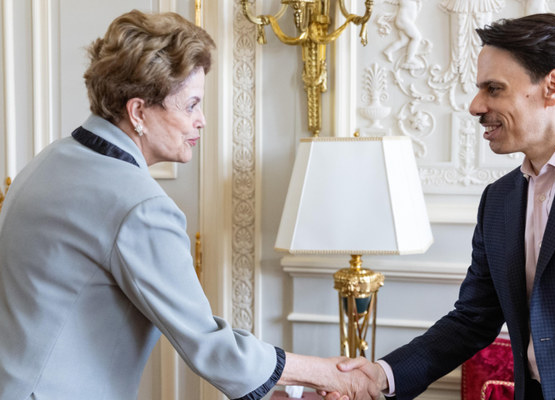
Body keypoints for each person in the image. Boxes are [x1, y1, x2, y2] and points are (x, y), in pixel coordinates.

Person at [0, 10, 377, 400]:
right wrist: (328, 374)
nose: (202, 122)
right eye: (191, 105)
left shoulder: (48, 161)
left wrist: (291, 392)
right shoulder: (139, 206)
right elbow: (208, 343)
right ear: (138, 111)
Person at [336, 13, 555, 400]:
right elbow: (471, 320)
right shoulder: (498, 200)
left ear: (553, 87)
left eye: (493, 89)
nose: (476, 106)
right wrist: (381, 375)